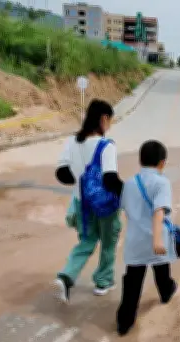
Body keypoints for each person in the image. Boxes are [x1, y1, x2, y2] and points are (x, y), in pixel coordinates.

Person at [53, 99, 123, 303]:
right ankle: (103, 281)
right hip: (105, 206)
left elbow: (62, 172)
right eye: (110, 120)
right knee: (109, 243)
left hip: (81, 204)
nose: (109, 125)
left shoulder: (72, 142)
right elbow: (110, 179)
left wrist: (81, 181)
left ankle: (66, 276)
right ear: (103, 119)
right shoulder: (106, 146)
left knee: (87, 241)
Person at [116, 140, 178, 336]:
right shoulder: (162, 182)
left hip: (135, 242)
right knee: (162, 274)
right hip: (156, 240)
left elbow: (125, 209)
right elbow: (159, 211)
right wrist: (157, 240)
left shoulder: (129, 183)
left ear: (140, 160)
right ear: (162, 163)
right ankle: (167, 294)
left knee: (132, 283)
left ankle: (124, 324)